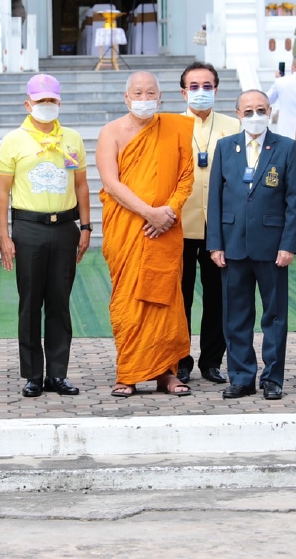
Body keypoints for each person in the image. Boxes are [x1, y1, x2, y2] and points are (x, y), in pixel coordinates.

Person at [97, 71, 194, 397]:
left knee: (166, 301)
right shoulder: (110, 132)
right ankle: (128, 373)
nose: (144, 97)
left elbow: (186, 176)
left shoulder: (176, 129)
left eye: (150, 92)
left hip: (164, 228)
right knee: (128, 301)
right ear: (127, 98)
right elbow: (111, 183)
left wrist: (169, 210)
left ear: (160, 97)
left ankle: (167, 373)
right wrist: (149, 212)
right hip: (128, 229)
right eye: (137, 93)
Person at [0, 74, 91, 398]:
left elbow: (81, 185)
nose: (46, 106)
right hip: (29, 228)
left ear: (59, 103)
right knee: (30, 303)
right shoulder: (13, 141)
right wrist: (5, 237)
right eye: (40, 101)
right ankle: (33, 375)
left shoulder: (72, 139)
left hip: (65, 228)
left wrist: (86, 226)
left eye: (51, 101)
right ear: (28, 104)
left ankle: (58, 374)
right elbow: (2, 193)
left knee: (60, 304)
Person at [207, 91, 296, 401]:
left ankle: (272, 378)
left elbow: (294, 200)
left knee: (274, 316)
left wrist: (288, 244)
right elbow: (215, 199)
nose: (255, 116)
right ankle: (242, 377)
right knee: (235, 315)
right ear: (237, 113)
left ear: (270, 111)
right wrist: (215, 244)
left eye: (261, 110)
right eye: (248, 111)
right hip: (232, 246)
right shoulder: (225, 147)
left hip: (272, 247)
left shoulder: (286, 147)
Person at [177, 61, 239, 384]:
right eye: (194, 86)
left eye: (208, 86)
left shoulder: (233, 126)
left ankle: (212, 360)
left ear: (216, 89)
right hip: (180, 226)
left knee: (218, 297)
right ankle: (180, 359)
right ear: (183, 91)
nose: (201, 92)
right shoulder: (170, 127)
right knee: (180, 296)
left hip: (220, 227)